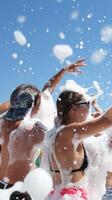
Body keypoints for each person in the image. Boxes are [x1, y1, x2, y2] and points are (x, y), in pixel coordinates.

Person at [0, 60, 85, 200]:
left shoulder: (2, 123)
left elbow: (47, 89)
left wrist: (63, 71)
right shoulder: (33, 129)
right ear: (35, 104)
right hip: (20, 191)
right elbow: (57, 138)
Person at [49, 86, 112, 200]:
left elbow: (103, 149)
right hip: (72, 197)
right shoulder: (68, 132)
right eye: (87, 104)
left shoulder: (57, 134)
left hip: (62, 195)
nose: (89, 109)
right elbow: (106, 121)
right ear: (73, 108)